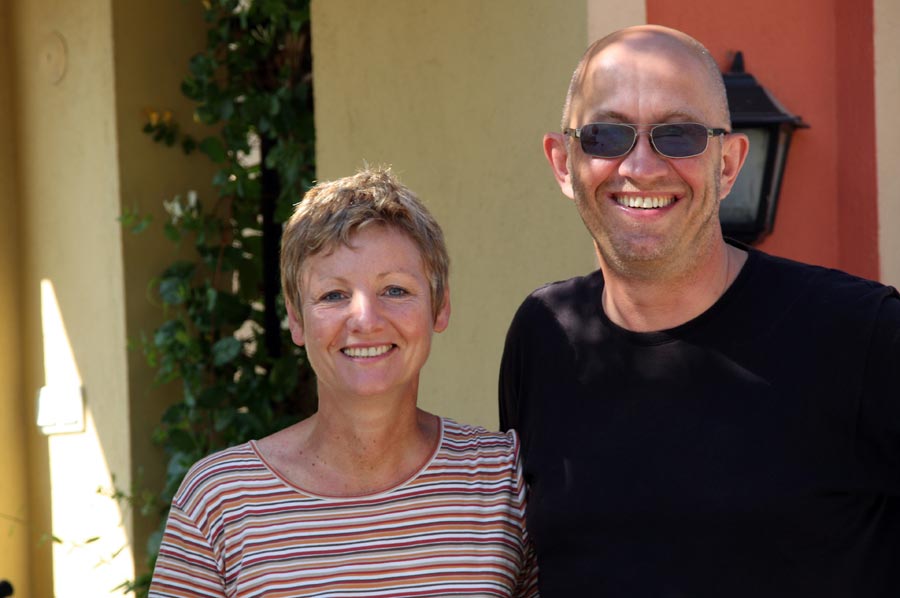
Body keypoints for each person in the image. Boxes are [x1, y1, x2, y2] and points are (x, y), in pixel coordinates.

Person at [499, 24, 900, 597]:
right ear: (564, 163)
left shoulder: (862, 335)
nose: (640, 167)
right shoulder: (544, 335)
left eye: (679, 134)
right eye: (606, 136)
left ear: (728, 164)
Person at [150, 168, 538, 597]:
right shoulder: (220, 501)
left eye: (395, 290)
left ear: (440, 306)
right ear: (296, 319)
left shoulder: (501, 478)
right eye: (333, 295)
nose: (366, 320)